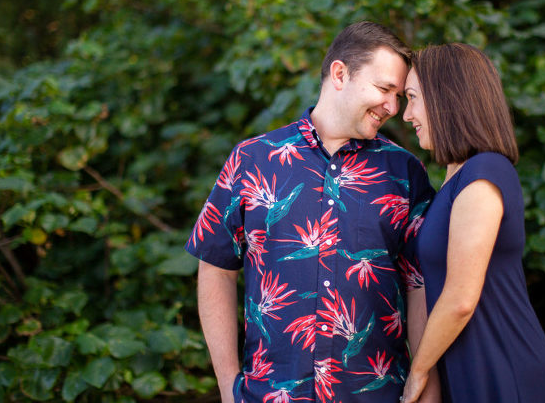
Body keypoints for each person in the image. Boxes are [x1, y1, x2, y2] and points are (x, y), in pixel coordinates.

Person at [185, 21, 439, 403]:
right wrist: (227, 385)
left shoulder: (405, 173)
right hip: (269, 395)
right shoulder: (253, 160)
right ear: (340, 74)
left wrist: (425, 386)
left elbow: (419, 287)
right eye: (385, 89)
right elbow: (215, 265)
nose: (394, 107)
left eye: (400, 95)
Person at [400, 43, 545, 402]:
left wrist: (418, 371)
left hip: (503, 366)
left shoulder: (484, 172)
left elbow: (460, 298)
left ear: (447, 97)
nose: (406, 114)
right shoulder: (455, 176)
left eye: (412, 97)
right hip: (472, 365)